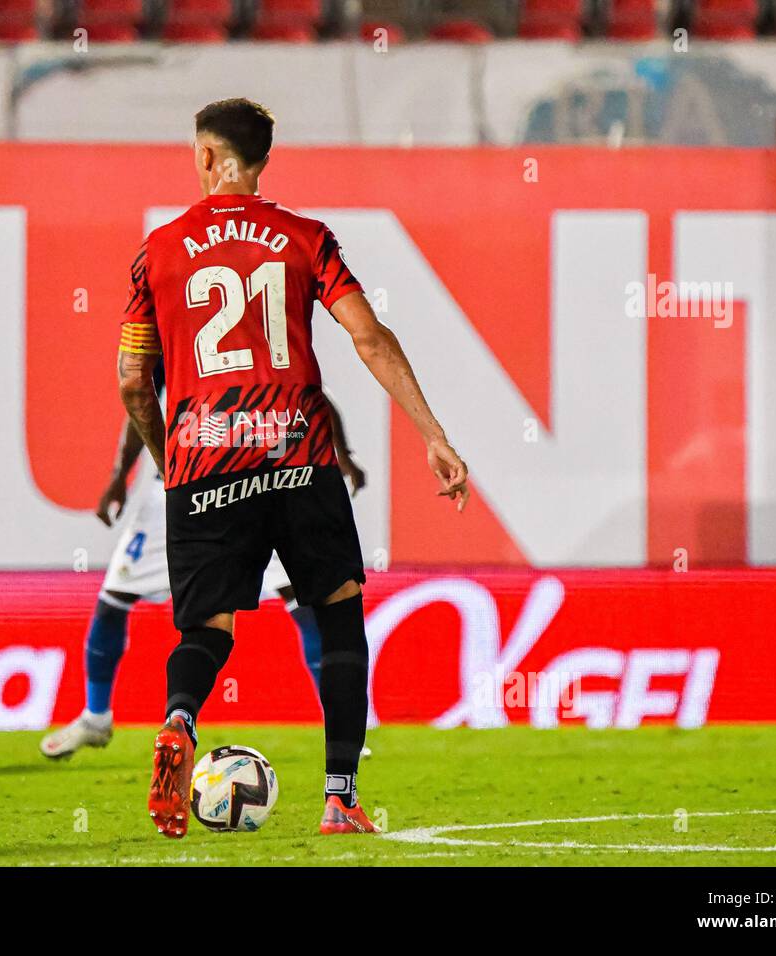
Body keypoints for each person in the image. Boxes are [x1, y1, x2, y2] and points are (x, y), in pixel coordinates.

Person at [117, 98, 468, 838]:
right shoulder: (305, 239)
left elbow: (130, 381)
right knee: (338, 617)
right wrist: (433, 435)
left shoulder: (158, 250)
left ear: (210, 157)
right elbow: (368, 337)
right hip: (299, 461)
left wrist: (165, 459)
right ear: (262, 160)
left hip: (203, 463)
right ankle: (340, 798)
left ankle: (180, 721)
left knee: (207, 632)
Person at [38, 362, 367, 759]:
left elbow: (314, 393)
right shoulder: (185, 329)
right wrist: (121, 475)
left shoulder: (203, 321)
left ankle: (340, 723)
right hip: (204, 487)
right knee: (116, 599)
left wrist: (340, 453)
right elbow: (141, 396)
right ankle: (96, 716)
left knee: (298, 603)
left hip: (253, 483)